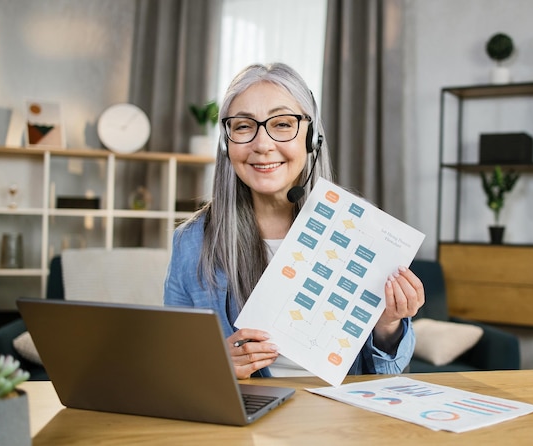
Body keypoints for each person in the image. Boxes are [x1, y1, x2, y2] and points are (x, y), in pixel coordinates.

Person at [164, 62, 424, 379]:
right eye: (244, 126)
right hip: (247, 419)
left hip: (341, 417)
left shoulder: (362, 228)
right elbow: (175, 364)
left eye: (283, 124)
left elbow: (388, 370)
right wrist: (216, 365)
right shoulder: (191, 241)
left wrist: (388, 322)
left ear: (312, 138)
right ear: (226, 142)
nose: (262, 145)